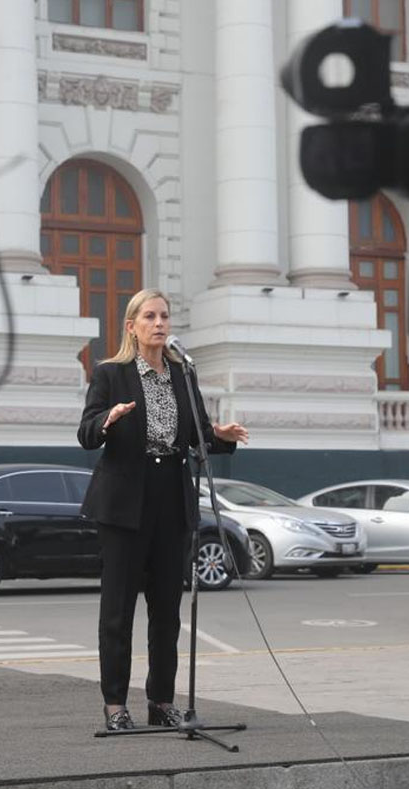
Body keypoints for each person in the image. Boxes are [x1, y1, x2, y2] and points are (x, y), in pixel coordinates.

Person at [78, 289, 249, 732]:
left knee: (167, 610)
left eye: (165, 316)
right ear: (131, 325)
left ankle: (162, 701)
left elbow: (196, 435)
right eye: (150, 316)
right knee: (117, 610)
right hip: (123, 502)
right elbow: (85, 432)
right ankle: (115, 704)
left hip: (171, 498)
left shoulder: (183, 373)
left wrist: (220, 435)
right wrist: (107, 420)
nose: (160, 323)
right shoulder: (110, 373)